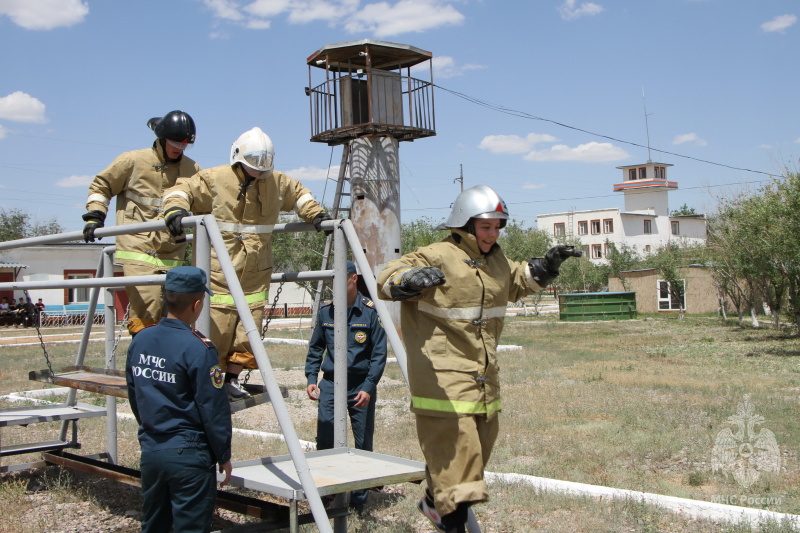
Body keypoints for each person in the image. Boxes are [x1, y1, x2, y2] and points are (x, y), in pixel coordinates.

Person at [377, 185, 581, 533]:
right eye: (486, 226)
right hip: (441, 378)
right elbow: (388, 276)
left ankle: (432, 502)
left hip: (484, 377)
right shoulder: (437, 254)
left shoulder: (497, 260)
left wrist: (545, 267)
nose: (493, 234)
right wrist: (407, 280)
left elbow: (516, 281)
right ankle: (450, 519)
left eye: (498, 226)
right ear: (465, 224)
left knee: (475, 455)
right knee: (459, 464)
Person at [162, 127, 331, 401]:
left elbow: (300, 196)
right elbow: (181, 190)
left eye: (264, 169)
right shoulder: (213, 179)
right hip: (219, 268)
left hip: (256, 271)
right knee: (216, 327)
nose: (259, 173)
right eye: (255, 168)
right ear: (238, 158)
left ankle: (231, 379)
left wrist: (317, 215)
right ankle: (207, 382)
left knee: (248, 331)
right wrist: (175, 210)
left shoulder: (277, 182)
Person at [126, 266, 232, 533]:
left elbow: (134, 392)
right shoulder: (199, 347)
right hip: (189, 455)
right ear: (197, 304)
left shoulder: (141, 340)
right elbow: (213, 407)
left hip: (152, 450)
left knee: (154, 524)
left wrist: (152, 427)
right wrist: (223, 455)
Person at [82, 111, 201, 336]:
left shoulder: (192, 169)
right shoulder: (133, 161)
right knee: (148, 310)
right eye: (175, 143)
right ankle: (143, 361)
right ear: (163, 138)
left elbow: (207, 201)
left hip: (172, 253)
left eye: (185, 145)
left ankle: (166, 365)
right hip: (137, 251)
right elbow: (101, 186)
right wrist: (95, 215)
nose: (180, 149)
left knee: (175, 315)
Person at [304, 261, 387, 513]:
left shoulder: (370, 312)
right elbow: (316, 347)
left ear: (353, 279)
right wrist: (310, 378)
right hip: (330, 384)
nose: (335, 285)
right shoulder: (326, 312)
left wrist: (369, 386)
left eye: (340, 279)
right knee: (325, 438)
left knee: (363, 441)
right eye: (332, 280)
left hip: (360, 385)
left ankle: (359, 499)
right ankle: (326, 492)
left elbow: (378, 354)